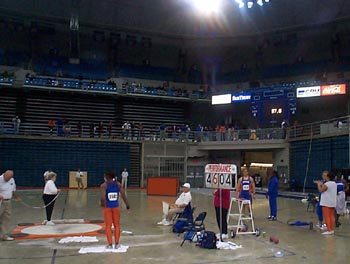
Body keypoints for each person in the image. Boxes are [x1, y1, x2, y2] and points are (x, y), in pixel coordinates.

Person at [100, 171, 130, 249]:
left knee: (108, 226)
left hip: (107, 207)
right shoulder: (118, 185)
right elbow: (123, 196)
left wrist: (102, 204)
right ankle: (117, 244)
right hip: (116, 207)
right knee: (117, 225)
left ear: (106, 178)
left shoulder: (103, 186)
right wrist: (127, 206)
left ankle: (110, 244)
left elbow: (103, 198)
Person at [315, 171, 337, 235]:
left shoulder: (327, 184)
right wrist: (322, 184)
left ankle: (329, 229)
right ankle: (332, 229)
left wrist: (318, 185)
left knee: (327, 216)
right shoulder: (334, 183)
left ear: (328, 177)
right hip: (332, 202)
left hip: (326, 203)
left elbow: (321, 190)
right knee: (331, 216)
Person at [0, 170, 20, 241]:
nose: (7, 179)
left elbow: (13, 190)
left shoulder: (12, 180)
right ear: (4, 174)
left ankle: (3, 236)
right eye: (6, 177)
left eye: (9, 178)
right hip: (0, 202)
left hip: (8, 202)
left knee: (6, 218)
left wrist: (16, 197)